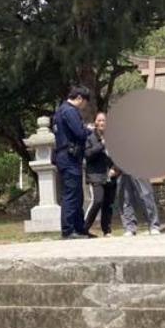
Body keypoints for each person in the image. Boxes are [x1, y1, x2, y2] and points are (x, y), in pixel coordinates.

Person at [53, 86, 92, 239]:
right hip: (69, 157)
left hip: (66, 156)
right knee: (71, 195)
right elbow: (79, 133)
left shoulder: (60, 111)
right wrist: (88, 129)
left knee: (77, 194)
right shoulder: (69, 111)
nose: (84, 107)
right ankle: (69, 230)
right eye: (85, 104)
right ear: (80, 98)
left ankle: (79, 228)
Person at [83, 112, 117, 237]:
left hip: (110, 175)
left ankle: (106, 230)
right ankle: (84, 228)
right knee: (97, 201)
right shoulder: (90, 138)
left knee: (108, 204)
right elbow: (88, 155)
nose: (102, 123)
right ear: (95, 123)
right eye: (100, 120)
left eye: (104, 120)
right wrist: (101, 144)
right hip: (95, 175)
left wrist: (115, 169)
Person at [118, 170, 162, 236]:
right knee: (126, 199)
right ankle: (129, 228)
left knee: (146, 196)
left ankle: (154, 226)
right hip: (123, 171)